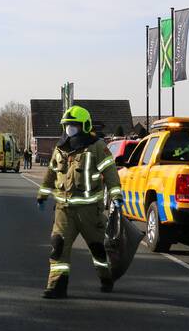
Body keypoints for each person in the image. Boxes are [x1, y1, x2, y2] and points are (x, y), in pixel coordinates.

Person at [36, 105, 124, 299]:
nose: (69, 130)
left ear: (84, 126)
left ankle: (106, 277)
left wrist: (116, 196)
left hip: (90, 211)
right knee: (58, 246)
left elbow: (110, 173)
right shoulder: (60, 148)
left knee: (98, 250)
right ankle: (56, 286)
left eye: (73, 127)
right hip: (64, 210)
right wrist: (42, 194)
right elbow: (51, 172)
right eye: (67, 126)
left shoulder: (97, 147)